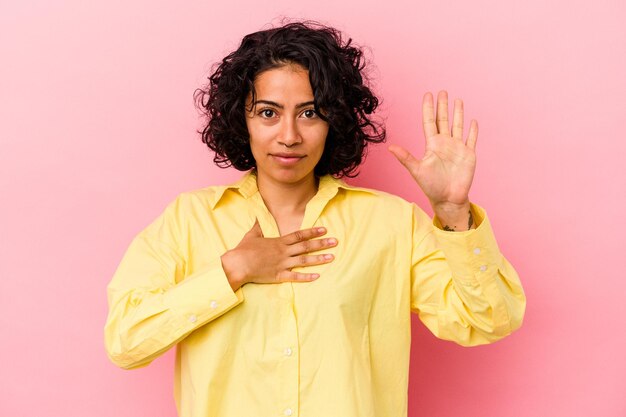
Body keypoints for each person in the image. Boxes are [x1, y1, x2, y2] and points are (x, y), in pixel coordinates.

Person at [104, 21, 526, 417]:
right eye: (268, 112)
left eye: (310, 113)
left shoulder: (391, 223)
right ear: (241, 119)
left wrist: (454, 213)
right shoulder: (189, 220)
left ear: (334, 120)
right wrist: (233, 271)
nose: (289, 135)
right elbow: (126, 341)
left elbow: (490, 319)